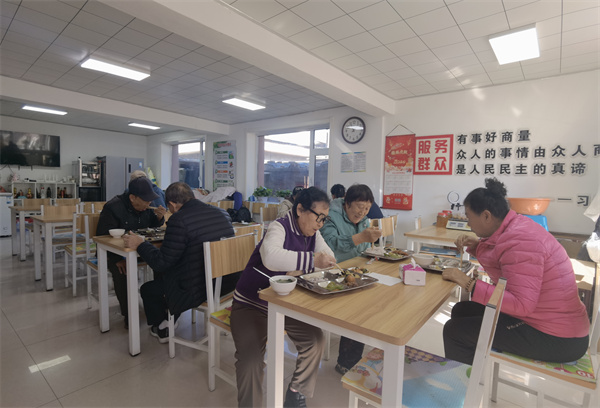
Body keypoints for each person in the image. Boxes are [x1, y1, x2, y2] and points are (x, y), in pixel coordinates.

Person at [442, 178, 589, 365]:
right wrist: (478, 246)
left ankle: (468, 380)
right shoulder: (516, 227)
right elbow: (508, 266)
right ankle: (476, 367)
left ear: (486, 216)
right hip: (544, 319)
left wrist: (469, 283)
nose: (468, 223)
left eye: (469, 217)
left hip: (558, 337)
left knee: (454, 331)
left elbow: (521, 305)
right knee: (462, 309)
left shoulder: (521, 241)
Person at [230, 187, 337, 408]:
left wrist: (313, 263)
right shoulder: (279, 227)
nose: (320, 224)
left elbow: (329, 258)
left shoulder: (313, 233)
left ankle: (296, 393)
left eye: (324, 219)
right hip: (252, 305)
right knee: (251, 362)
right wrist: (311, 262)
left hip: (284, 305)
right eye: (318, 217)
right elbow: (271, 257)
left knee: (315, 340)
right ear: (300, 209)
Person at [122, 182, 238, 342]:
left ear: (172, 204)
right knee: (171, 276)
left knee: (148, 289)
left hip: (200, 289)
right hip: (227, 283)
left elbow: (161, 263)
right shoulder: (222, 213)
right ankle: (170, 317)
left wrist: (140, 244)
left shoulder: (179, 220)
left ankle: (163, 327)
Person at [320, 184, 382, 375]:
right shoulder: (330, 215)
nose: (362, 213)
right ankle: (347, 363)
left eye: (366, 208)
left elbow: (361, 249)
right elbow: (329, 244)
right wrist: (360, 237)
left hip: (353, 270)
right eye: (359, 207)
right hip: (330, 272)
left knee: (380, 296)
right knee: (362, 306)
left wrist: (371, 245)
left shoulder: (362, 219)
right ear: (347, 203)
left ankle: (370, 349)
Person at [96, 177, 167, 329]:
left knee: (161, 263)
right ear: (132, 197)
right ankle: (129, 313)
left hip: (140, 250)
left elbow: (152, 226)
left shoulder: (147, 206)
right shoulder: (113, 207)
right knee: (122, 271)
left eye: (150, 200)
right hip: (115, 253)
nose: (149, 203)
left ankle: (161, 309)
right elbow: (102, 237)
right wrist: (117, 258)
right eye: (146, 200)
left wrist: (159, 218)